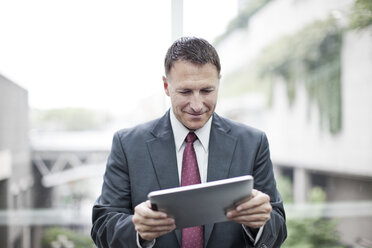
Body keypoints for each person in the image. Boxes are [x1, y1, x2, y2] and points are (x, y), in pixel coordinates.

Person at [91, 37, 287, 248]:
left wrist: (259, 223)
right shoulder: (128, 145)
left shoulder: (253, 143)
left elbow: (278, 228)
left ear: (218, 82)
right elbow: (103, 226)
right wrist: (138, 230)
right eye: (185, 92)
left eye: (206, 91)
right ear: (166, 86)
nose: (197, 105)